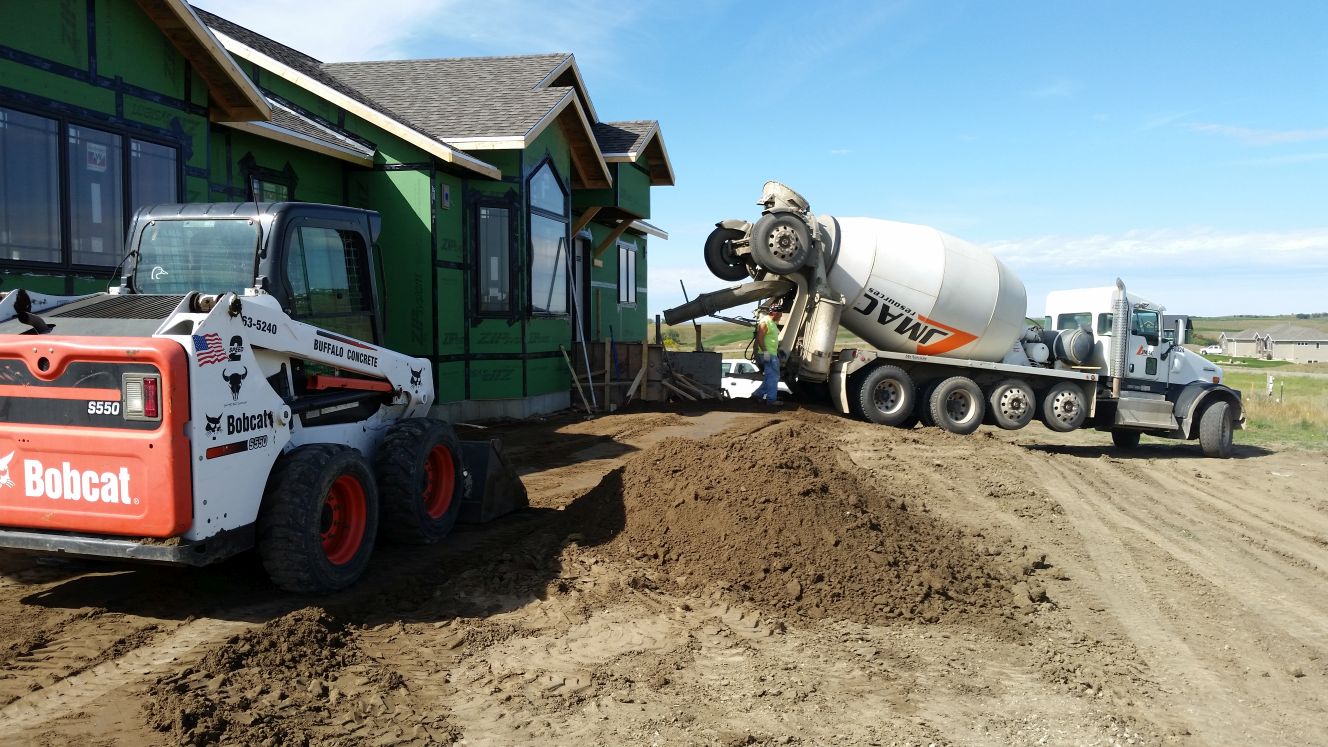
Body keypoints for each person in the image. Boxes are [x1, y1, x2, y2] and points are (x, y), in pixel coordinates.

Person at [754, 306, 783, 405]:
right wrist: (765, 352)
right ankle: (771, 399)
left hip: (771, 353)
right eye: (780, 314)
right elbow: (760, 338)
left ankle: (758, 394)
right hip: (768, 354)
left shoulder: (772, 323)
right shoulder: (765, 322)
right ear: (774, 313)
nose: (781, 316)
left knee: (769, 376)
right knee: (773, 377)